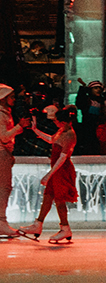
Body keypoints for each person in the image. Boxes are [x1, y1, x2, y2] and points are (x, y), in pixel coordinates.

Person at [21, 105, 79, 244]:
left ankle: (65, 228)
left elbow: (62, 158)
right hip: (57, 169)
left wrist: (49, 175)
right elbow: (51, 140)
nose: (54, 123)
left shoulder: (70, 135)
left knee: (59, 200)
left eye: (56, 121)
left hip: (62, 170)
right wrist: (36, 130)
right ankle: (38, 224)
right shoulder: (62, 131)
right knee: (48, 197)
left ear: (63, 122)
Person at [0, 85, 28, 238]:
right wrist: (19, 126)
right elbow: (4, 137)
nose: (14, 99)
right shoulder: (1, 115)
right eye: (11, 97)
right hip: (1, 153)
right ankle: (1, 222)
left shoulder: (5, 113)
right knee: (4, 188)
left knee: (4, 188)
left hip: (5, 153)